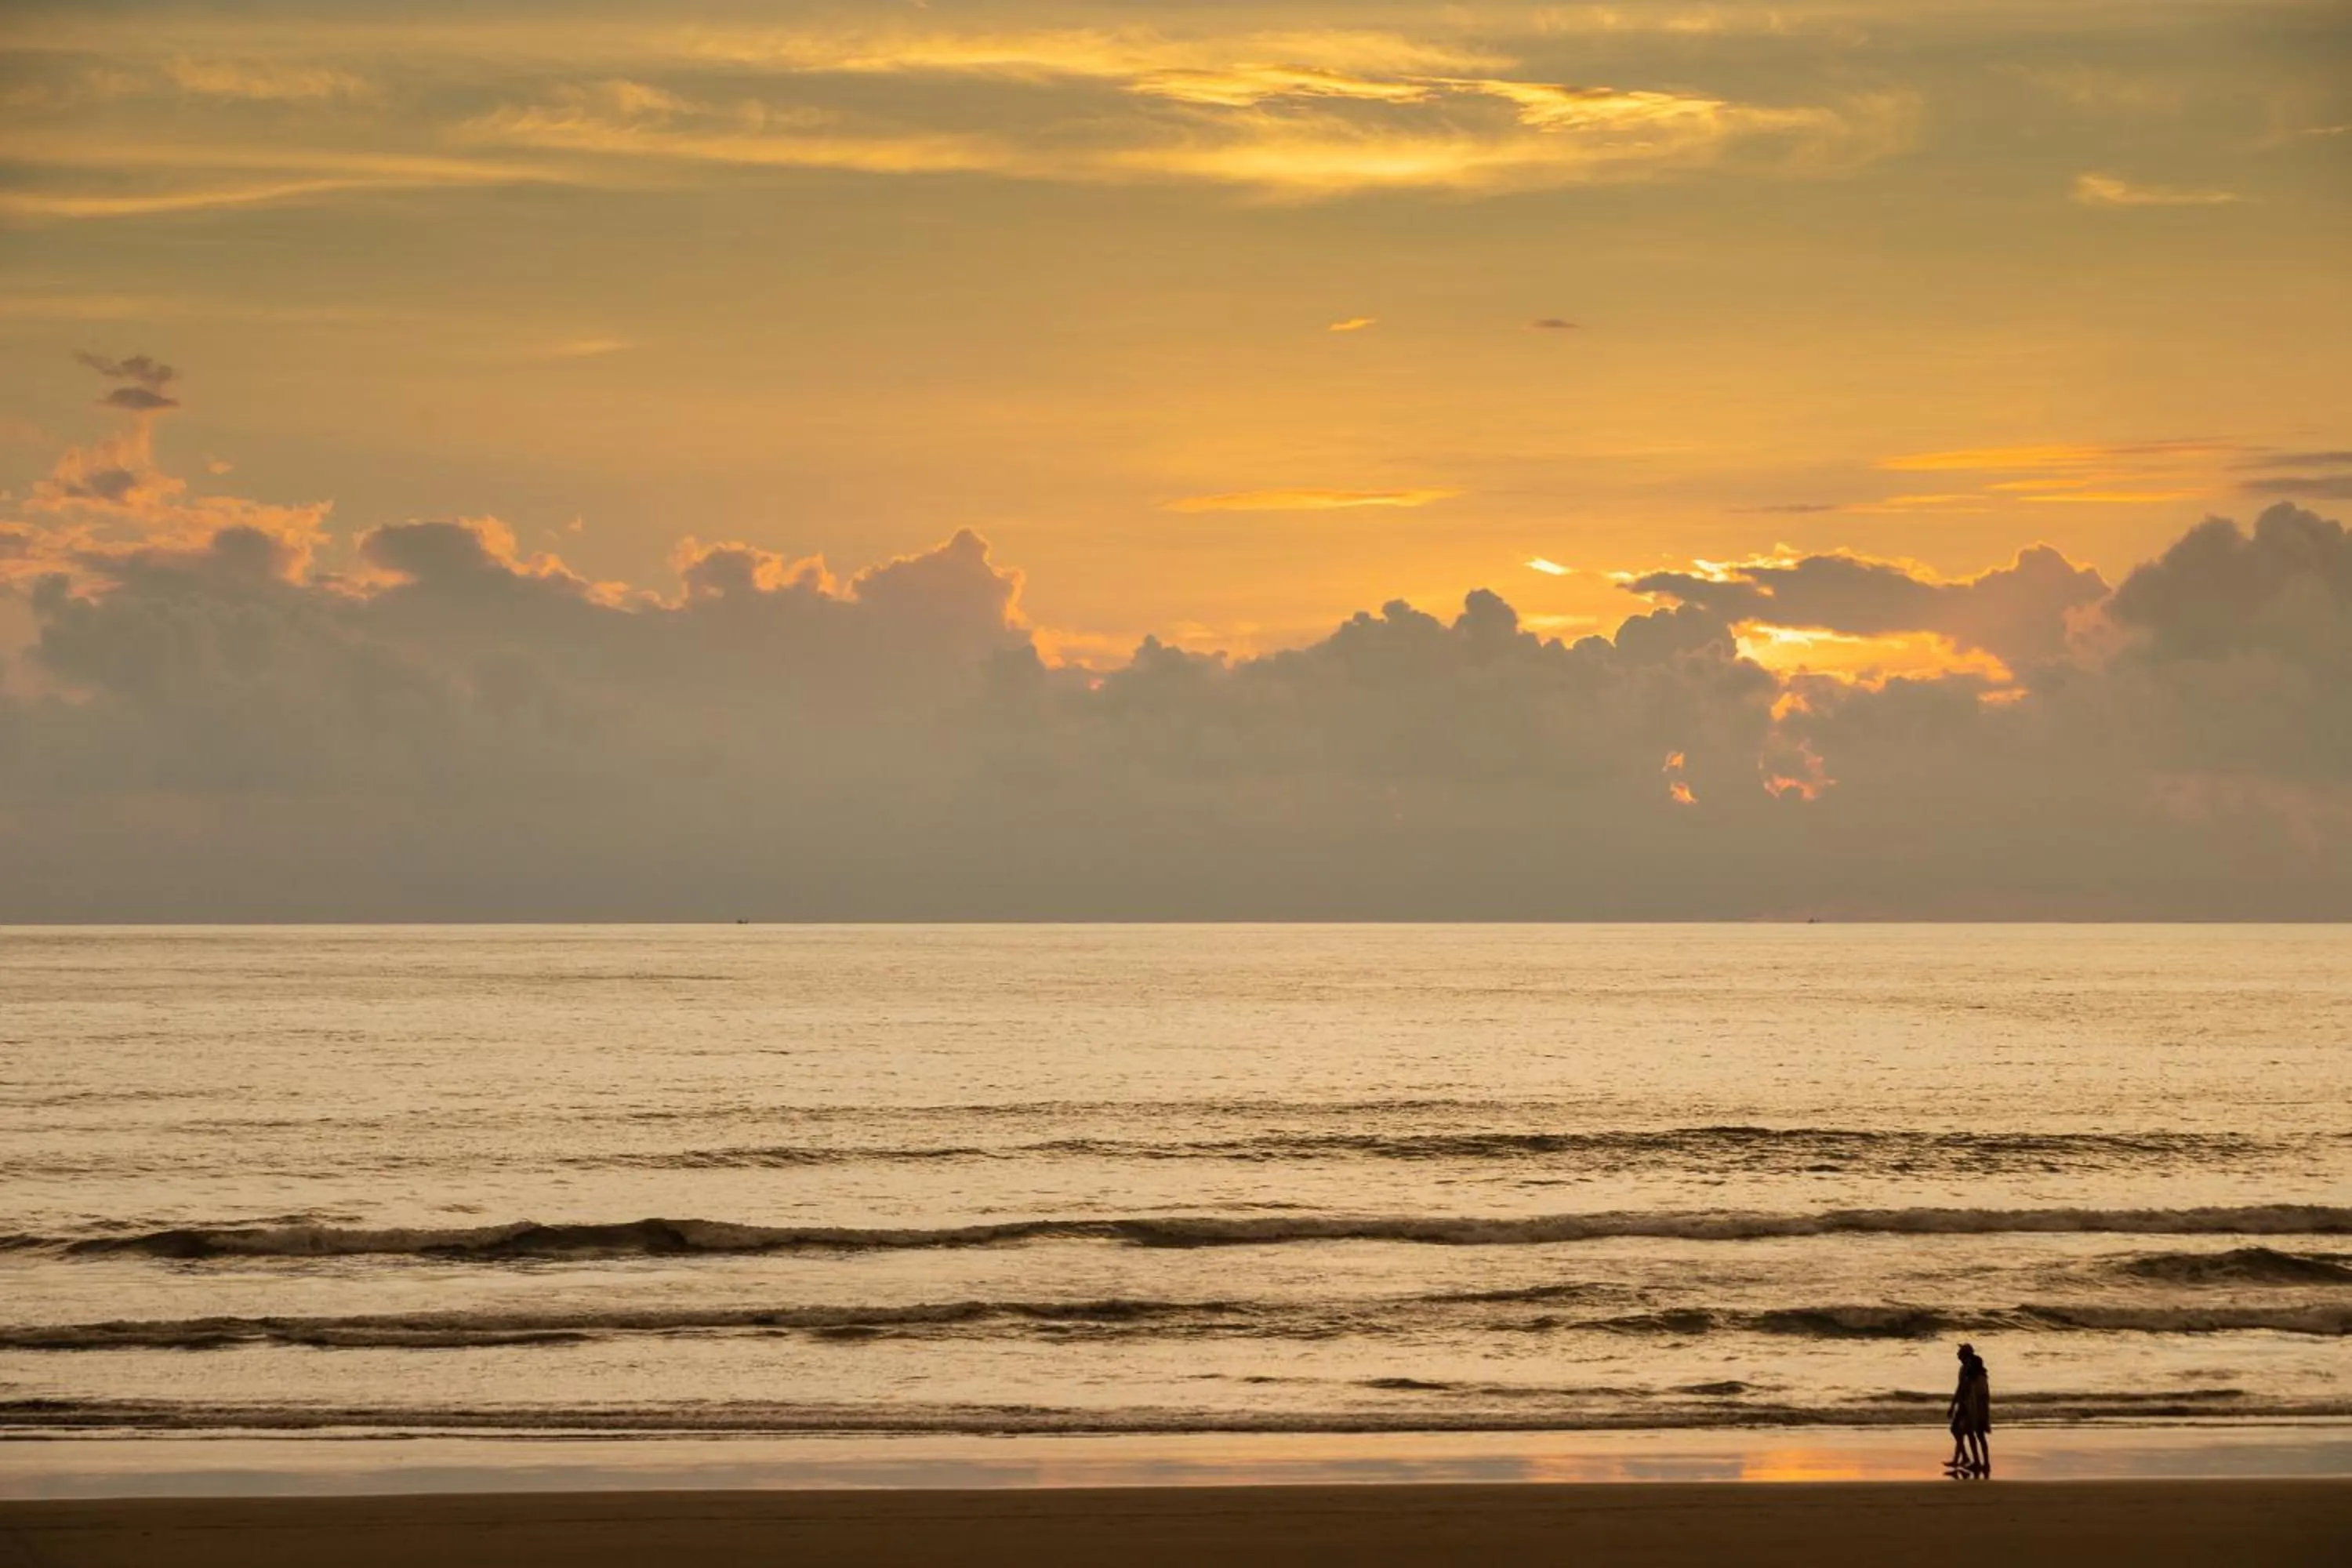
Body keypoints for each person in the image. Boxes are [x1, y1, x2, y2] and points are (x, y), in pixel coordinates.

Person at [1944, 1343, 1991, 1475]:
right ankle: (1978, 1461)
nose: (1958, 1355)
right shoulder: (1976, 1373)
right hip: (1973, 1406)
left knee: (1971, 1433)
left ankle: (1975, 1461)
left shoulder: (1971, 1373)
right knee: (1971, 1433)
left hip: (1971, 1406)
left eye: (1960, 1353)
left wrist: (1954, 1406)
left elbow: (1963, 1390)